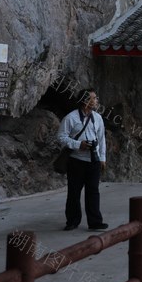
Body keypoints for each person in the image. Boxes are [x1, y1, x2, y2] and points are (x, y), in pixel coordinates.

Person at [57, 88, 108, 231]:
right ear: (85, 101)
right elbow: (61, 137)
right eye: (93, 98)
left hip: (94, 160)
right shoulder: (71, 118)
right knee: (74, 192)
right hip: (76, 160)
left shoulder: (98, 118)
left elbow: (102, 139)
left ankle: (95, 222)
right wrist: (79, 145)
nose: (96, 101)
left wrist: (102, 158)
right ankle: (72, 221)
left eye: (96, 98)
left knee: (93, 192)